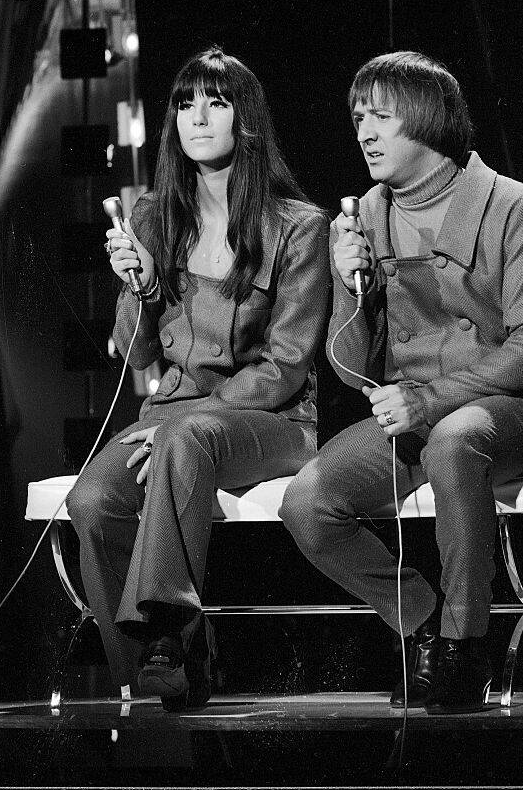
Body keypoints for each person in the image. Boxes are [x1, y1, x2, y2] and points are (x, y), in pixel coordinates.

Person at [281, 51, 523, 713]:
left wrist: (430, 399)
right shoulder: (365, 214)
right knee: (308, 504)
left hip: (509, 406)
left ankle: (466, 645)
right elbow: (351, 364)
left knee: (456, 438)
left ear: (429, 119)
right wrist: (344, 282)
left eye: (381, 117)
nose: (364, 133)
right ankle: (426, 622)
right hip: (411, 413)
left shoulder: (516, 207)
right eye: (359, 118)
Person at [67, 47, 330, 710]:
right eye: (186, 104)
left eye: (216, 102)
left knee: (187, 438)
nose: (198, 117)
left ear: (247, 119)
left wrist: (189, 420)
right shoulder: (154, 217)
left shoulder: (300, 227)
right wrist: (143, 287)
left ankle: (169, 637)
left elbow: (286, 365)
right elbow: (137, 356)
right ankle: (154, 679)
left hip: (272, 421)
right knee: (91, 501)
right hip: (173, 415)